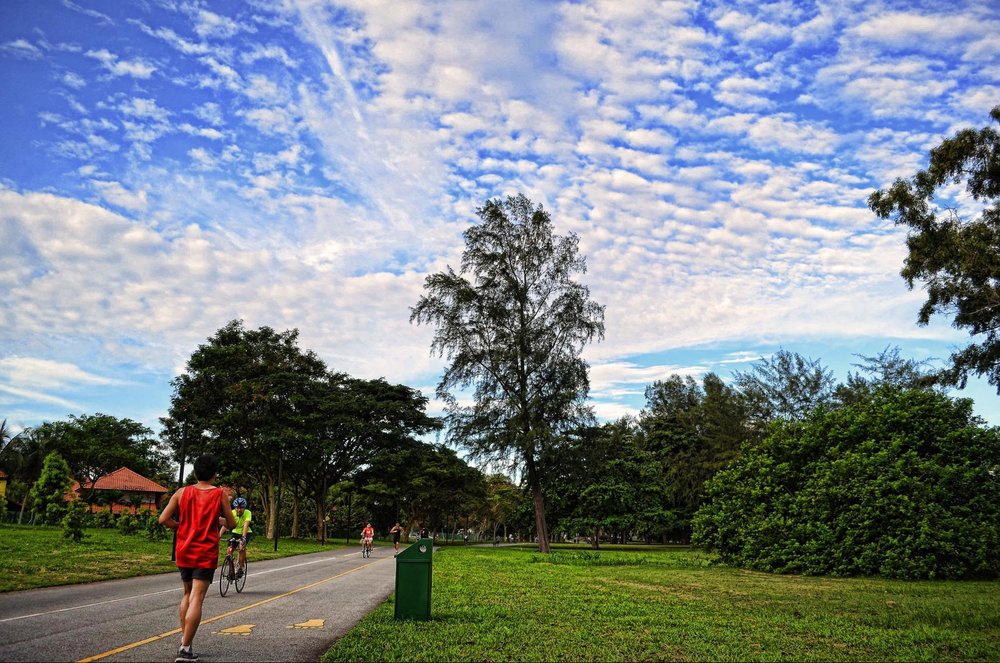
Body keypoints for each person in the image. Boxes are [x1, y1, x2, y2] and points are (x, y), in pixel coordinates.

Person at [159, 455, 236, 663]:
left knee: (186, 593)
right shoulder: (219, 494)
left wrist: (181, 527)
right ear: (214, 474)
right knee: (197, 597)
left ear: (195, 473)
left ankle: (186, 641)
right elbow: (231, 522)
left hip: (184, 550)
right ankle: (185, 649)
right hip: (205, 552)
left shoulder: (182, 492)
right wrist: (219, 520)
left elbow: (163, 519)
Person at [223, 497, 252, 578]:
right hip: (235, 533)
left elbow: (246, 525)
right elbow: (225, 525)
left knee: (241, 548)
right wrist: (218, 535)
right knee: (229, 550)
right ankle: (231, 570)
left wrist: (243, 538)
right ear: (235, 508)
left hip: (246, 532)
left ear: (244, 508)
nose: (239, 510)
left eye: (241, 508)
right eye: (237, 508)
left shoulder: (247, 513)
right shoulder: (231, 513)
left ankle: (241, 568)